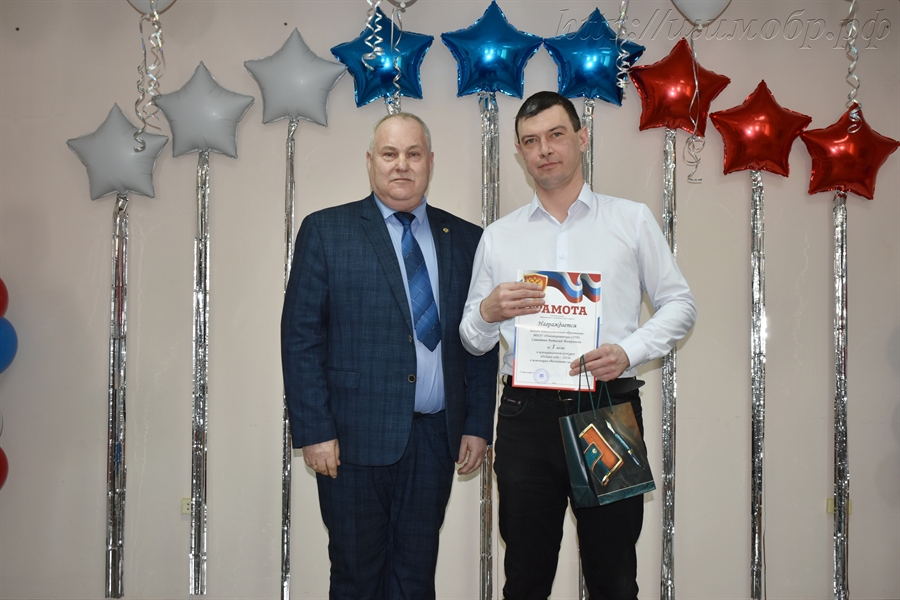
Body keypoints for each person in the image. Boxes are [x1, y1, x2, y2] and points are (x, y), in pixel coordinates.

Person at [459, 91, 697, 600]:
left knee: (614, 577)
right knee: (525, 576)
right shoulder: (498, 237)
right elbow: (472, 340)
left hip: (606, 407)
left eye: (555, 135)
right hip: (526, 415)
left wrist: (629, 351)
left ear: (582, 138)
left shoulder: (631, 220)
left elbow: (680, 305)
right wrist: (487, 313)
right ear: (519, 153)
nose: (544, 149)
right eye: (530, 141)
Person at [281, 112, 498, 600]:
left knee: (415, 578)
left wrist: (477, 423)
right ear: (370, 161)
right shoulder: (327, 231)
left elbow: (480, 339)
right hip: (351, 442)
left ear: (430, 162)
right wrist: (314, 431)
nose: (402, 165)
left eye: (413, 154)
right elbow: (300, 339)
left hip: (435, 438)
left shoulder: (468, 239)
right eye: (390, 153)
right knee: (357, 577)